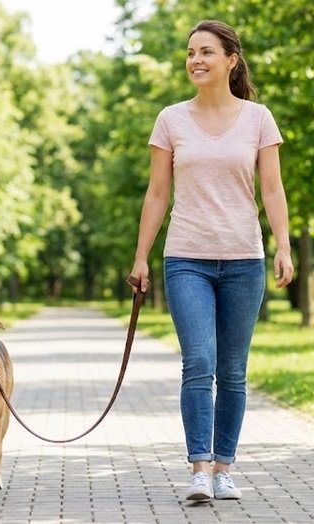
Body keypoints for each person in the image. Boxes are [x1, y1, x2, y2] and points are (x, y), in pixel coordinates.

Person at [128, 20, 293, 502]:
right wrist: (141, 256)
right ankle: (199, 468)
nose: (195, 60)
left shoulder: (258, 118)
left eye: (205, 52)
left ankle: (224, 468)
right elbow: (157, 193)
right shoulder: (170, 119)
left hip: (244, 259)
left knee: (233, 370)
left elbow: (272, 188)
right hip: (187, 259)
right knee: (199, 362)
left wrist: (283, 246)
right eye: (190, 53)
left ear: (230, 60)